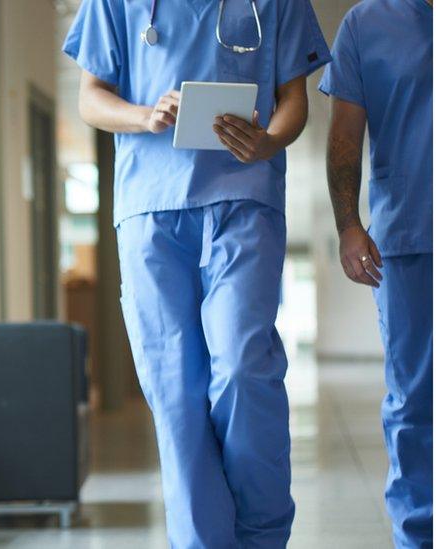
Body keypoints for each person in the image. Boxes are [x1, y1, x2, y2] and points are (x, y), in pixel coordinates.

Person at [63, 1, 329, 546]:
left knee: (242, 364)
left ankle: (261, 534)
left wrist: (270, 140)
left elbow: (293, 100)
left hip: (243, 197)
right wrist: (144, 115)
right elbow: (91, 97)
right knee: (174, 391)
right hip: (150, 208)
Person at [319, 1, 433, 546]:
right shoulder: (367, 23)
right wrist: (348, 224)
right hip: (412, 236)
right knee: (415, 402)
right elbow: (344, 133)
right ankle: (418, 535)